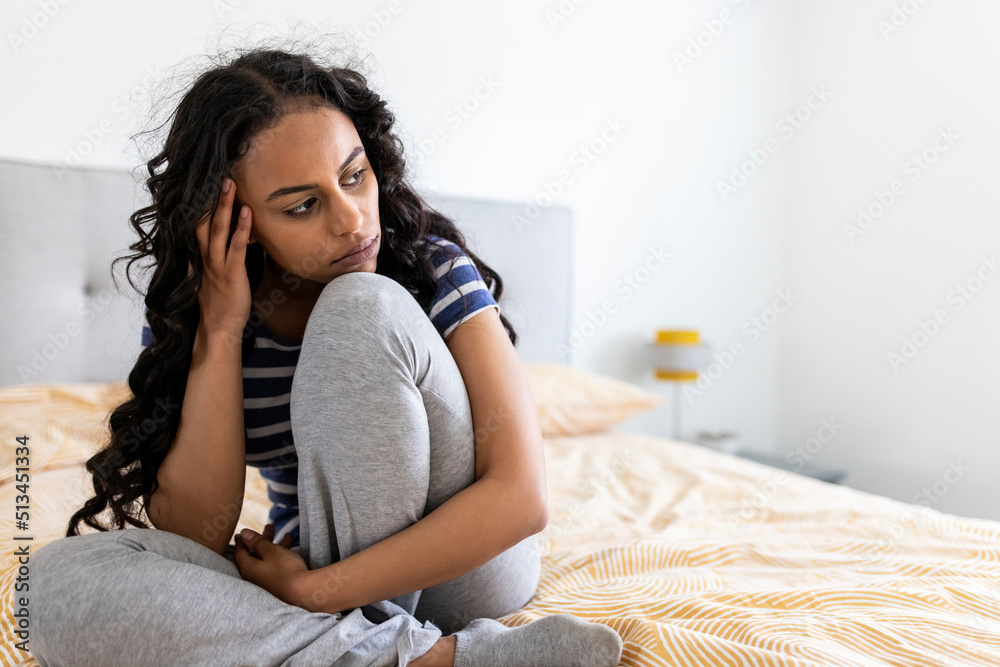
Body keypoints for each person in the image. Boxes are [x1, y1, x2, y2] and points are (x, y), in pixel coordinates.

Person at [29, 44, 624, 667]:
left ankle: (350, 638)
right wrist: (221, 331)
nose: (351, 221)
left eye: (354, 176)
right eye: (302, 206)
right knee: (49, 586)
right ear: (236, 221)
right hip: (310, 566)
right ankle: (435, 659)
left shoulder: (433, 270)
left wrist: (316, 592)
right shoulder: (201, 313)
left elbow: (521, 499)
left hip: (464, 567)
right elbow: (195, 533)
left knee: (358, 307)